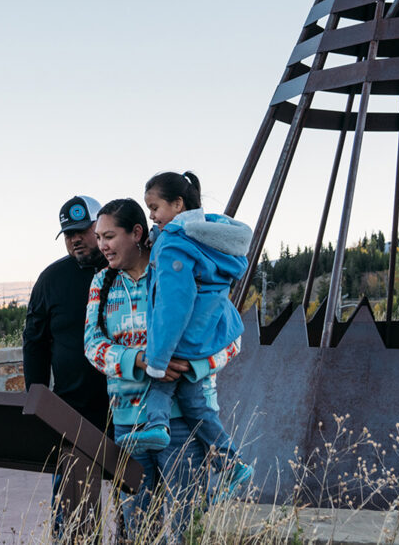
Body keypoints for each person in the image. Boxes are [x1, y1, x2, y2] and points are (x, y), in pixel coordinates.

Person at [119, 171, 253, 500]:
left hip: (186, 337)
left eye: (155, 207)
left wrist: (158, 357)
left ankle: (158, 428)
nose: (151, 215)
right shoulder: (206, 235)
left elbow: (173, 306)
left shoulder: (174, 246)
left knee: (160, 376)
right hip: (211, 330)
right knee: (193, 401)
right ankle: (228, 461)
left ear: (177, 204)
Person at [83, 198, 208, 541]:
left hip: (180, 421)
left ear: (136, 232)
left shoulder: (176, 270)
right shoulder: (102, 284)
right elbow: (92, 347)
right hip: (127, 423)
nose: (101, 246)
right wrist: (141, 361)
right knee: (138, 526)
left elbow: (222, 339)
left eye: (109, 236)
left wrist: (187, 365)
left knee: (187, 524)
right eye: (98, 237)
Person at [23, 195, 111, 541]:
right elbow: (35, 341)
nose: (75, 239)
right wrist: (37, 396)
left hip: (128, 408)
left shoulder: (124, 269)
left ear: (100, 227)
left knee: (136, 502)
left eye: (83, 230)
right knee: (73, 515)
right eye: (68, 233)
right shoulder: (52, 279)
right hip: (73, 411)